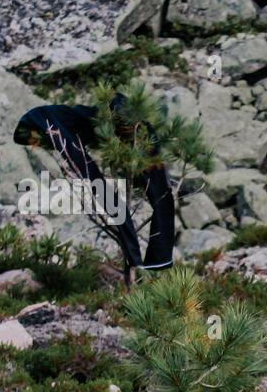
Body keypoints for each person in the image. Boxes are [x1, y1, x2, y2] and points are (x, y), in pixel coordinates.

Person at [13, 96, 176, 270]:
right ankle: (141, 263)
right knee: (104, 191)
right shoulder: (55, 122)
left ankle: (151, 262)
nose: (37, 146)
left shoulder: (125, 129)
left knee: (142, 194)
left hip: (56, 122)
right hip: (47, 122)